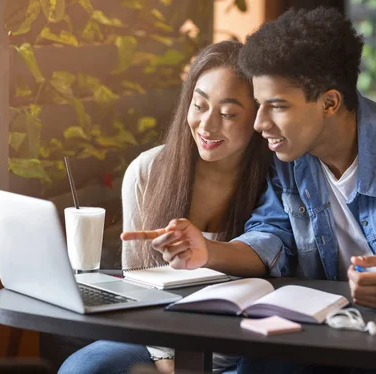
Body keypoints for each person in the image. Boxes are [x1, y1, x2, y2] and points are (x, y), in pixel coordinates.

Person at [125, 7, 376, 374]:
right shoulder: (290, 159)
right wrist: (209, 252)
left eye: (277, 106)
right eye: (258, 105)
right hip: (326, 336)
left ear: (329, 103)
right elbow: (272, 235)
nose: (260, 123)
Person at [58, 40, 271, 374]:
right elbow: (137, 289)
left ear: (258, 117)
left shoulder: (277, 179)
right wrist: (166, 361)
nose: (207, 126)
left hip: (247, 347)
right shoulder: (147, 172)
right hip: (158, 342)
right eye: (199, 105)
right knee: (81, 369)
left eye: (228, 114)